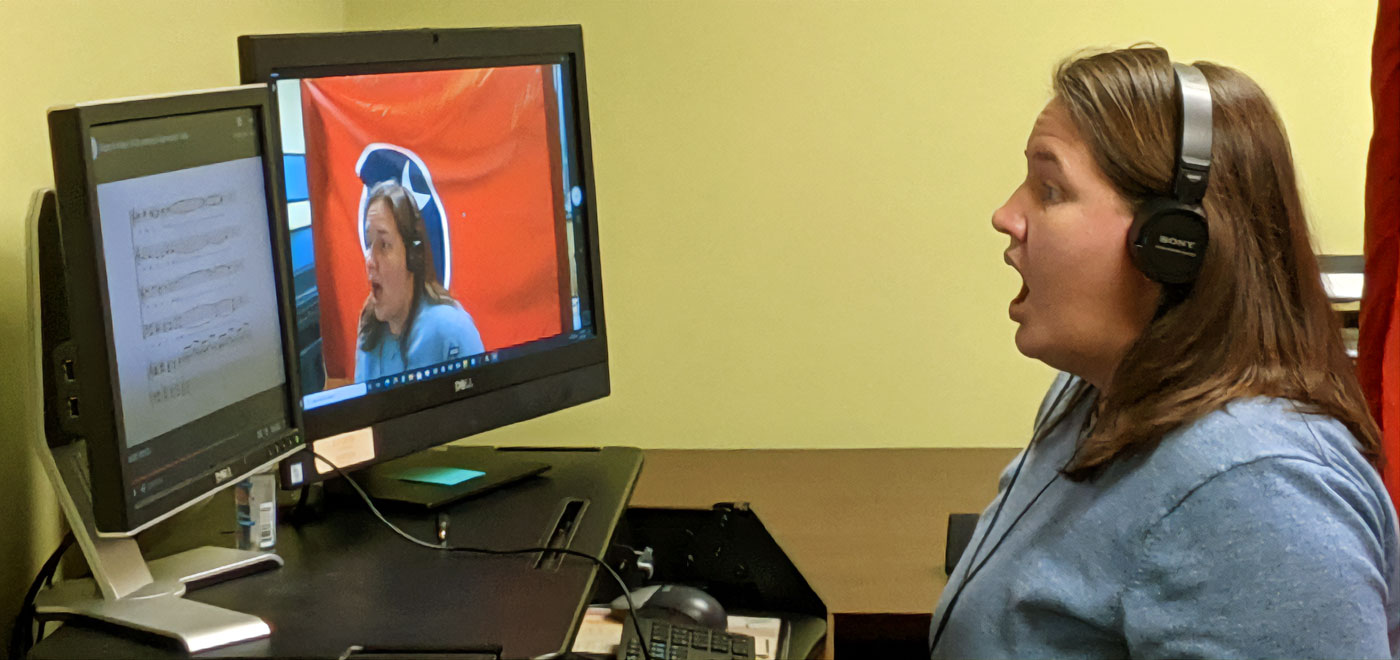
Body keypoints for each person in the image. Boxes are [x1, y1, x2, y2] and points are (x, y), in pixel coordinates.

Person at [931, 46, 1400, 658]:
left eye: (1050, 189)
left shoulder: (1257, 494)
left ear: (1172, 244)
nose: (1006, 215)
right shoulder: (1097, 394)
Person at [355, 180, 483, 382]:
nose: (370, 261)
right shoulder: (369, 328)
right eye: (370, 244)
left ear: (412, 257)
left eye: (385, 245)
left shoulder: (452, 329)